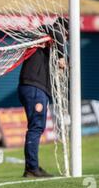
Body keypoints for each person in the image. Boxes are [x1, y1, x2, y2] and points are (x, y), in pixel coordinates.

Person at [18, 17, 68, 178]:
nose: (66, 40)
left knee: (36, 127)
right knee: (36, 127)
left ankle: (31, 168)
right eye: (67, 36)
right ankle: (32, 168)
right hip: (33, 88)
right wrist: (62, 56)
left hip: (36, 88)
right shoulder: (46, 31)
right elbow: (57, 32)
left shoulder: (46, 42)